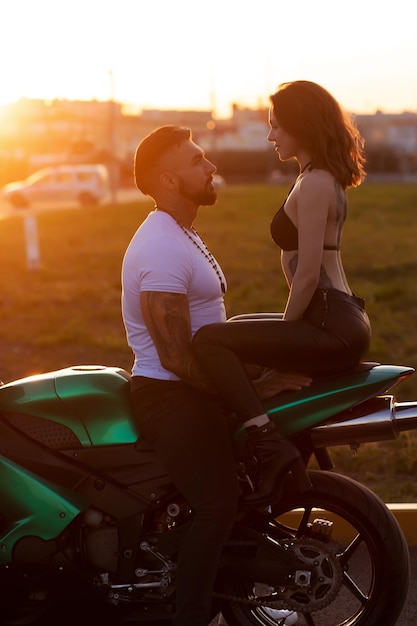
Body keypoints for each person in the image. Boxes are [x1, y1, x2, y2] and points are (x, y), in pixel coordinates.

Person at [121, 125, 310, 626]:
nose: (211, 167)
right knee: (218, 504)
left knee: (246, 489)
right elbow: (178, 357)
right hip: (171, 396)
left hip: (196, 386)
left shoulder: (181, 232)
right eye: (197, 161)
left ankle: (241, 593)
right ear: (168, 179)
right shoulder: (160, 246)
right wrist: (254, 388)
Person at [192, 80, 372, 505]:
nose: (271, 136)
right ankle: (275, 452)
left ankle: (264, 441)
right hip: (337, 316)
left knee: (210, 340)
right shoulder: (319, 178)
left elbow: (308, 273)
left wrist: (285, 338)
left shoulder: (314, 184)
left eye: (277, 126)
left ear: (301, 126)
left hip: (329, 320)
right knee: (233, 328)